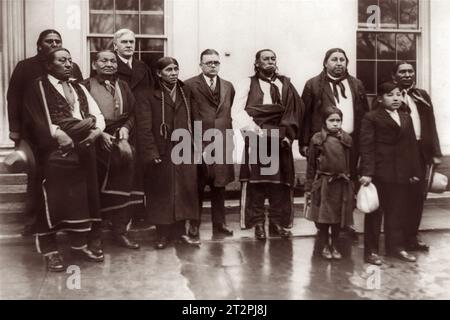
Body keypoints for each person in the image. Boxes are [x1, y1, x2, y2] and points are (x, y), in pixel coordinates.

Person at [22, 48, 106, 271]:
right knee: (53, 199)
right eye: (62, 60)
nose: (68, 64)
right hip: (53, 151)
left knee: (82, 199)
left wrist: (95, 131)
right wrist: (58, 133)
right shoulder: (37, 88)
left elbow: (96, 115)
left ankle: (80, 245)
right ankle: (51, 251)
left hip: (84, 146)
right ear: (49, 65)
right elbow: (35, 119)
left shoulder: (79, 87)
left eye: (70, 60)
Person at [6, 29, 83, 235]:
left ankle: (63, 220)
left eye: (58, 40)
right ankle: (32, 221)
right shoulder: (25, 67)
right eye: (49, 41)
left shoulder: (71, 67)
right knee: (36, 175)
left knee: (64, 175)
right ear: (40, 45)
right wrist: (14, 129)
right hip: (32, 131)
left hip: (65, 131)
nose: (54, 44)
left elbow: (79, 96)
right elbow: (13, 98)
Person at [231, 49, 303, 240]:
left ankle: (276, 222)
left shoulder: (285, 84)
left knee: (280, 183)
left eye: (273, 59)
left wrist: (288, 134)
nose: (270, 62)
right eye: (265, 59)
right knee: (257, 184)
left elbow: (295, 110)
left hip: (281, 138)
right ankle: (257, 224)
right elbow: (237, 112)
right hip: (257, 137)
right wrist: (255, 129)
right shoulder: (247, 83)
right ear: (257, 63)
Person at [300, 48, 369, 241]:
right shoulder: (313, 85)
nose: (339, 63)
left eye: (342, 60)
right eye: (334, 60)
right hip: (323, 143)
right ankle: (322, 223)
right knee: (321, 184)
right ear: (325, 63)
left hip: (350, 143)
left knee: (348, 181)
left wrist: (365, 143)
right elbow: (305, 116)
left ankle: (344, 222)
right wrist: (305, 142)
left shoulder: (356, 84)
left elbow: (363, 113)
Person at [82, 50, 144, 252]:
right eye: (103, 60)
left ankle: (120, 232)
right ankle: (95, 237)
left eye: (112, 61)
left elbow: (134, 113)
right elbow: (80, 116)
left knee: (123, 188)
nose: (109, 64)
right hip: (96, 144)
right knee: (96, 191)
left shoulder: (123, 86)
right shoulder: (84, 86)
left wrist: (126, 128)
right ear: (94, 65)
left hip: (121, 143)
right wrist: (99, 133)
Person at [136, 57, 200, 249]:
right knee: (162, 192)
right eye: (168, 70)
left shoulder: (185, 91)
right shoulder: (148, 94)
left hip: (183, 148)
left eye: (176, 69)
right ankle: (162, 235)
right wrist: (151, 151)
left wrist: (197, 146)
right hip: (161, 150)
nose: (173, 73)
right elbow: (144, 127)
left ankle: (179, 233)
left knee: (184, 191)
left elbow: (195, 119)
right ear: (158, 73)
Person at [359, 81, 422, 265]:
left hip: (401, 173)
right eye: (390, 95)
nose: (396, 98)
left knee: (397, 211)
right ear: (380, 98)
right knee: (375, 212)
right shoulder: (371, 118)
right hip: (380, 173)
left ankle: (395, 248)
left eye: (398, 94)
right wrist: (367, 172)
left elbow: (411, 147)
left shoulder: (405, 117)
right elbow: (366, 146)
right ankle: (371, 251)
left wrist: (414, 171)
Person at [392, 61, 442, 251]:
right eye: (402, 72)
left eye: (410, 71)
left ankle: (412, 237)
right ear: (394, 76)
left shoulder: (422, 96)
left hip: (421, 152)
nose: (407, 75)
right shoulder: (391, 96)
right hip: (400, 154)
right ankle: (397, 241)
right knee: (399, 196)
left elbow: (431, 124)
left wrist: (436, 153)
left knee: (417, 197)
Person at [185, 49, 235, 238]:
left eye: (216, 62)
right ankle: (194, 223)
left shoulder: (228, 86)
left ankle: (219, 223)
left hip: (222, 140)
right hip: (199, 140)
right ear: (201, 65)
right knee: (197, 184)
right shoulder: (189, 85)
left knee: (219, 184)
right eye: (209, 63)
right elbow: (187, 114)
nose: (213, 66)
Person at [305, 107, 354, 260]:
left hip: (341, 184)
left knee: (338, 219)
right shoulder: (318, 139)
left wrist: (351, 182)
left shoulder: (346, 139)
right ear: (325, 122)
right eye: (331, 120)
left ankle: (335, 245)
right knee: (324, 218)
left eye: (338, 120)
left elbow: (349, 162)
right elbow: (311, 165)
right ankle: (325, 245)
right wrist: (309, 186)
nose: (335, 124)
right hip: (324, 184)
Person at [113, 28, 154, 94]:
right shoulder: (110, 67)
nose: (129, 45)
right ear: (115, 46)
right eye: (124, 42)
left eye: (131, 42)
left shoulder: (143, 67)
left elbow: (152, 92)